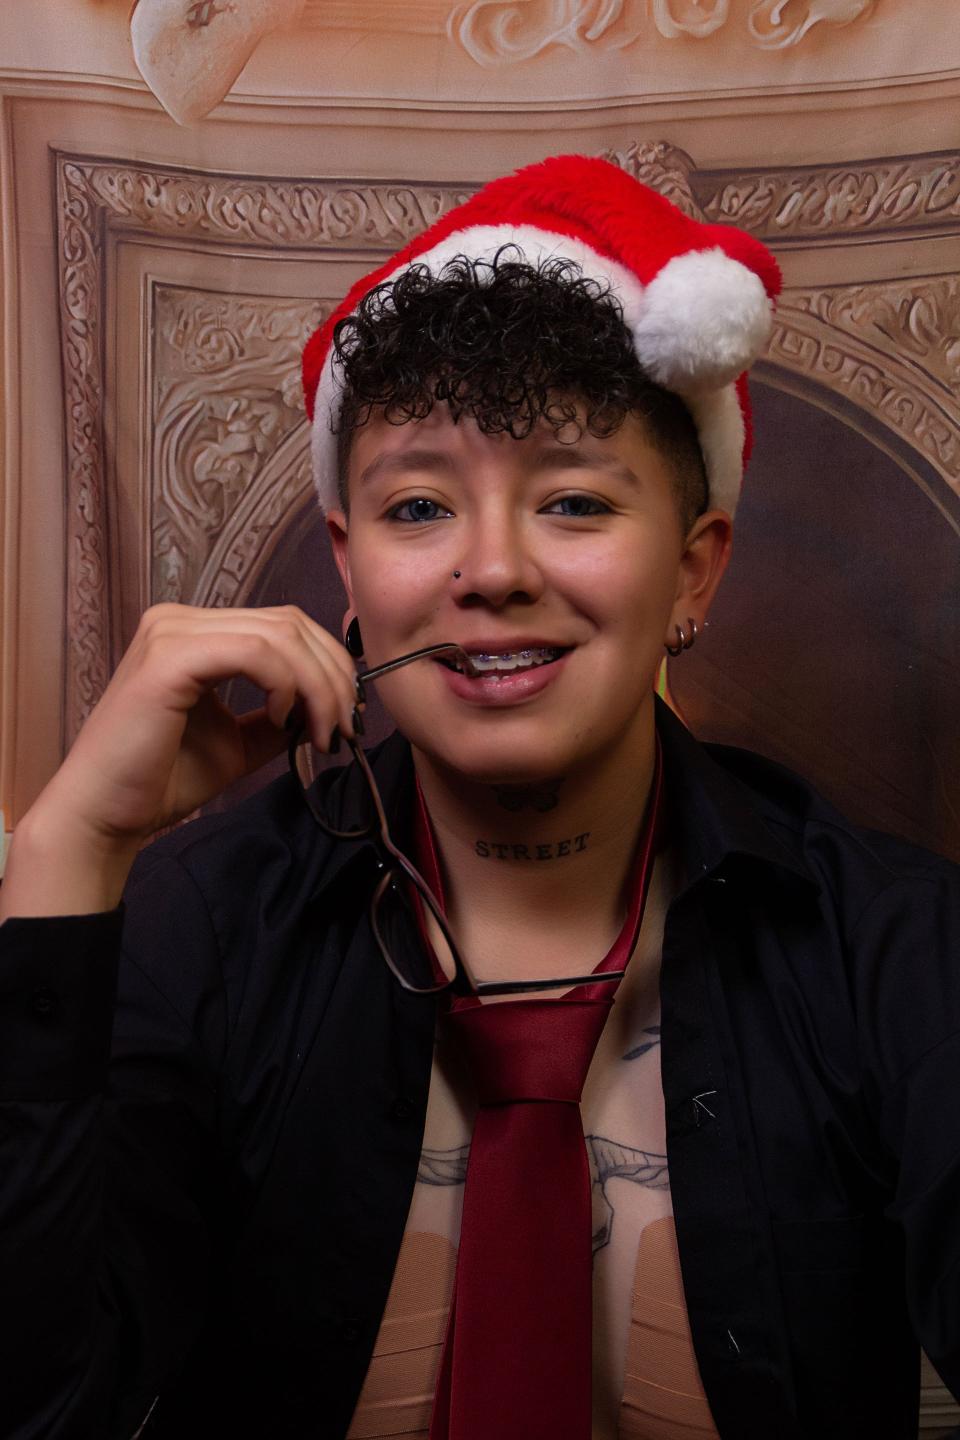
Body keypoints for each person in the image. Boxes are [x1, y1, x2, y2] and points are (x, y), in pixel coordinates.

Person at [0, 155, 958, 1440]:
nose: (493, 569)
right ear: (350, 567)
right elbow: (38, 1407)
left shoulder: (895, 947)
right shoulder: (206, 923)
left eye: (573, 500)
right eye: (418, 506)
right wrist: (68, 849)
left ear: (694, 572)